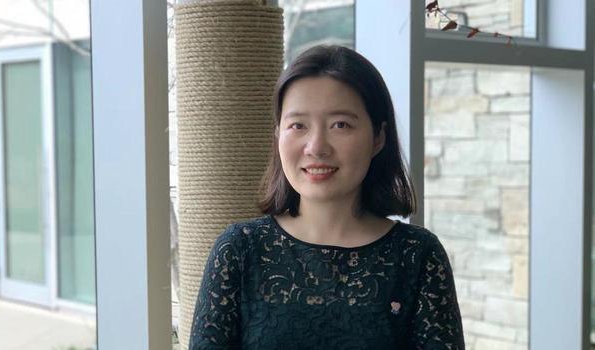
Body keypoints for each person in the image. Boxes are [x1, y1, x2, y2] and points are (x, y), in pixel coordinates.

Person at [188, 45, 464, 349]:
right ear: (278, 134)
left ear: (378, 138)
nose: (316, 147)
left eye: (340, 125)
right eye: (298, 126)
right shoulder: (239, 249)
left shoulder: (418, 255)